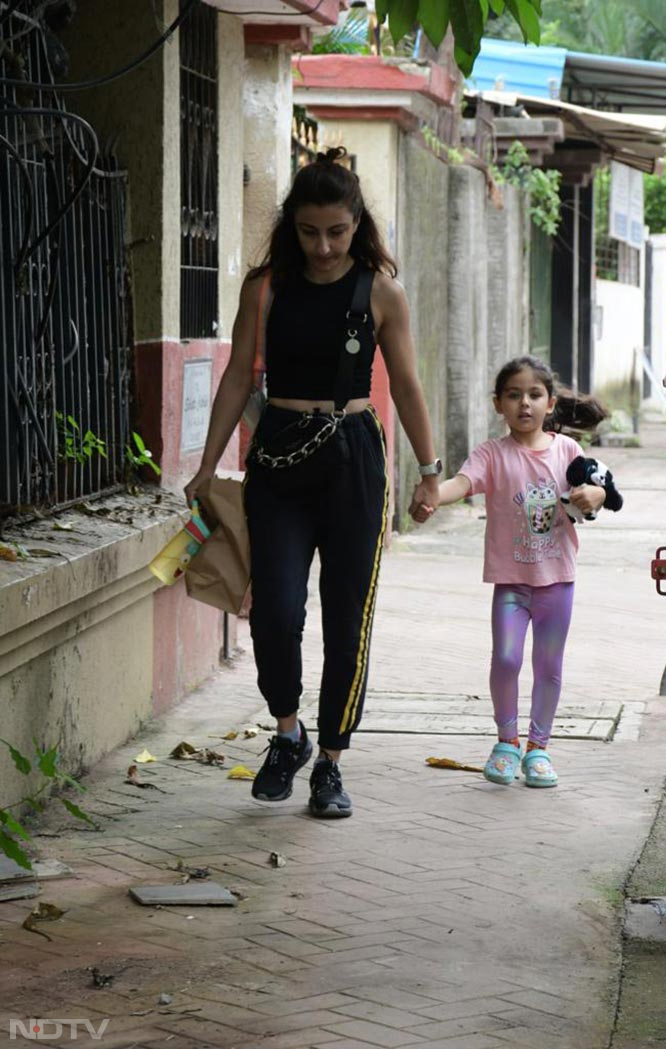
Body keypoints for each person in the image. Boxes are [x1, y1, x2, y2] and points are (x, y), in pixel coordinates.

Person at [185, 148, 440, 819]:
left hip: (355, 457)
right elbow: (239, 375)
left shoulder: (381, 291)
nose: (323, 246)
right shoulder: (264, 287)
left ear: (357, 223)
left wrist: (431, 472)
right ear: (290, 227)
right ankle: (287, 731)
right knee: (275, 608)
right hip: (278, 459)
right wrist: (207, 465)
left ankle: (330, 761)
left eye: (336, 231)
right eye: (308, 231)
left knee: (348, 618)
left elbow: (408, 386)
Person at [412, 355, 614, 788]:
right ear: (498, 404)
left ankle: (538, 750)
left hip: (557, 581)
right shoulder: (491, 454)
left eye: (534, 395)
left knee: (549, 665)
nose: (525, 403)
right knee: (506, 659)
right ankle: (507, 742)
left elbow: (601, 487)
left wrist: (593, 495)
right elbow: (461, 485)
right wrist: (433, 496)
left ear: (550, 402)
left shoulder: (568, 451)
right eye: (514, 395)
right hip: (511, 584)